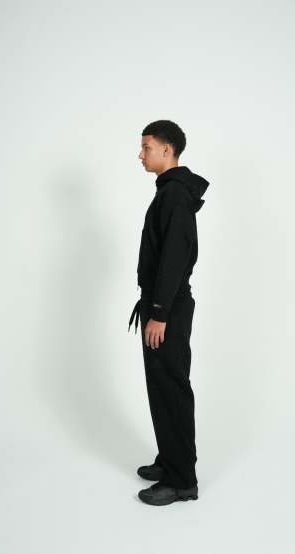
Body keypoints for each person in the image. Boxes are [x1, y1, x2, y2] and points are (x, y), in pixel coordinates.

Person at [128, 119, 210, 506]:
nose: (140, 154)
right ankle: (170, 459)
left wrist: (159, 312)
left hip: (169, 307)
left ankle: (182, 481)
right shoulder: (169, 191)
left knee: (171, 387)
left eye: (146, 147)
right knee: (160, 386)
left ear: (167, 149)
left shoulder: (175, 194)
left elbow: (176, 257)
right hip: (162, 303)